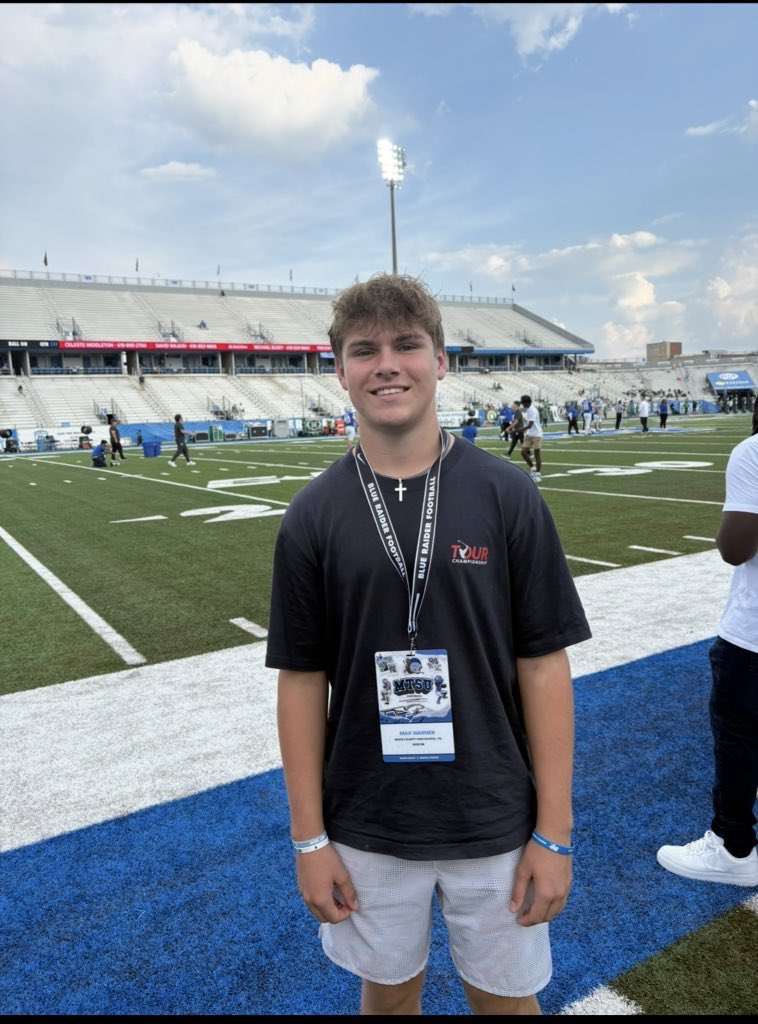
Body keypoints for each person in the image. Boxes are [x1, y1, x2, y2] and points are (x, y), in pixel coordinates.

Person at [267, 274, 591, 1016]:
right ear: (338, 368)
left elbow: (543, 666)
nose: (387, 364)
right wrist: (309, 841)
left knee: (507, 1001)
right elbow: (299, 682)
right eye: (364, 350)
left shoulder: (508, 494)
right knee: (387, 997)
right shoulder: (312, 515)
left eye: (407, 345)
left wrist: (556, 833)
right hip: (369, 822)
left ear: (441, 361)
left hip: (495, 816)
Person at [656, 406, 758, 886]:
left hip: (753, 635)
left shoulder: (752, 452)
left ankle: (733, 847)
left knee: (738, 734)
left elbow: (734, 547)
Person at [520, 394, 543, 483]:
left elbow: (529, 425)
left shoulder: (532, 410)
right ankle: (533, 469)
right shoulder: (529, 410)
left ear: (527, 403)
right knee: (523, 452)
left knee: (537, 455)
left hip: (536, 434)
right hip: (529, 434)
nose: (523, 405)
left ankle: (538, 473)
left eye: (523, 403)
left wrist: (516, 430)